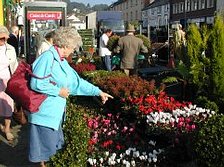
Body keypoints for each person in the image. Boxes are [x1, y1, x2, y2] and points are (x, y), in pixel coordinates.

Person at [29, 27, 113, 167]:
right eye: (73, 47)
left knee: (52, 152)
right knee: (47, 154)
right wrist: (58, 91)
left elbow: (76, 83)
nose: (73, 50)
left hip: (54, 115)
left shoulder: (61, 60)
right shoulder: (48, 57)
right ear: (66, 44)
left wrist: (98, 92)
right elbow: (36, 82)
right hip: (44, 115)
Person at [0, 25, 18, 141]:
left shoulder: (10, 49)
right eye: (1, 38)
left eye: (5, 38)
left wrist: (16, 80)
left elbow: (14, 65)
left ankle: (6, 129)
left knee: (7, 104)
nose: (3, 41)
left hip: (6, 79)